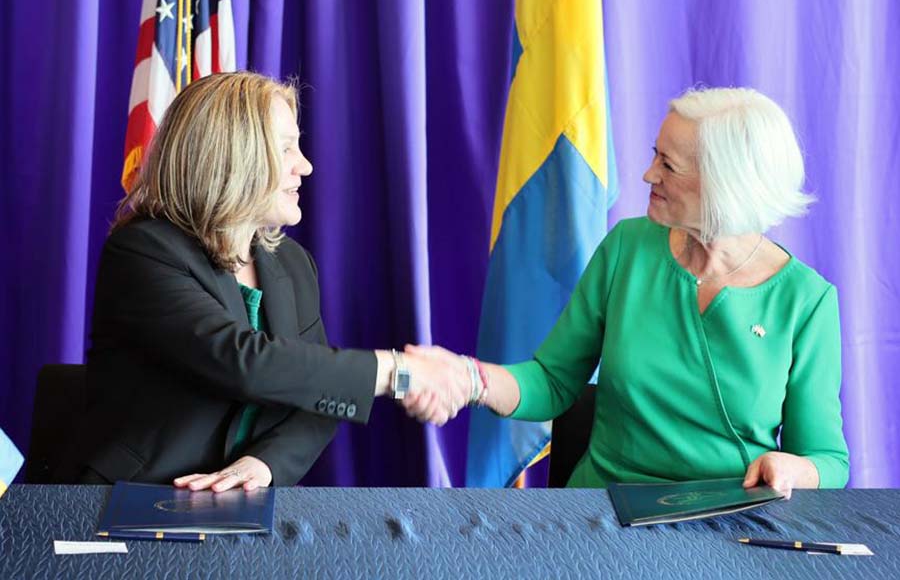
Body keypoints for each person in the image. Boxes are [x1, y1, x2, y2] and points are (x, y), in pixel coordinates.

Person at [406, 87, 849, 496]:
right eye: (655, 155)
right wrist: (467, 379)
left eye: (668, 165)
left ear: (727, 186)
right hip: (602, 512)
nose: (647, 173)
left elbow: (827, 460)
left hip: (724, 523)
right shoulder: (626, 248)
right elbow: (552, 381)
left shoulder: (807, 301)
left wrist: (792, 470)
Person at [66, 72, 468, 491]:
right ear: (230, 157)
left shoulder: (292, 264)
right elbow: (245, 362)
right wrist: (397, 371)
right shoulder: (143, 252)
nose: (305, 165)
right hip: (128, 503)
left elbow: (316, 399)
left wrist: (265, 463)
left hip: (240, 506)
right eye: (285, 149)